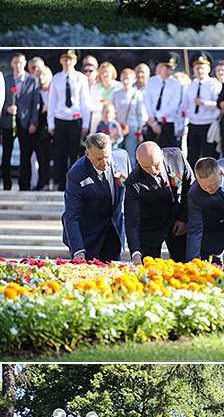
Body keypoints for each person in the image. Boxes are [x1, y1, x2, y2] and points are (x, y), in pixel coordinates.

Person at [63, 132, 131, 263]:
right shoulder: (76, 174)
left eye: (107, 156)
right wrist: (78, 250)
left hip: (113, 232)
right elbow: (71, 215)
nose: (105, 163)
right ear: (87, 155)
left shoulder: (122, 158)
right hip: (87, 234)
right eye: (99, 159)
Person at [125, 141, 194, 264]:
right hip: (151, 228)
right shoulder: (133, 182)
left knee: (183, 267)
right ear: (138, 161)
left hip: (179, 220)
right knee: (150, 274)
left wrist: (183, 218)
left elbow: (190, 187)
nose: (153, 170)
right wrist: (135, 253)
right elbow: (132, 220)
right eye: (146, 167)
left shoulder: (177, 156)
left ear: (162, 154)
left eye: (156, 164)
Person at [47, 50, 91, 190]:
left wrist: (85, 124)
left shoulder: (81, 78)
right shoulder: (56, 79)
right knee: (60, 154)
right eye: (65, 59)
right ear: (61, 61)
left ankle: (74, 184)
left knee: (74, 154)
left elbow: (85, 103)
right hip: (60, 119)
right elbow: (52, 102)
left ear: (75, 61)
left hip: (75, 120)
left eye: (71, 59)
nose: (68, 62)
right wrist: (50, 124)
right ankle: (61, 183)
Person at [1, 53, 41, 191]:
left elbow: (36, 104)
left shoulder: (32, 80)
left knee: (26, 155)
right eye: (15, 62)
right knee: (6, 154)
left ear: (25, 63)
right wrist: (7, 108)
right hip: (8, 122)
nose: (17, 65)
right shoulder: (4, 80)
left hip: (26, 123)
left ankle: (24, 185)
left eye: (20, 62)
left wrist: (33, 123)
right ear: (11, 64)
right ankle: (6, 184)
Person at [142, 55, 182, 149]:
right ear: (161, 67)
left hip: (167, 122)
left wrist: (157, 117)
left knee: (166, 150)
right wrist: (153, 122)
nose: (169, 72)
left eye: (171, 69)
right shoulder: (152, 81)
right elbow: (148, 101)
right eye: (167, 68)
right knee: (150, 149)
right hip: (152, 122)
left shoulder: (176, 84)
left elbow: (174, 105)